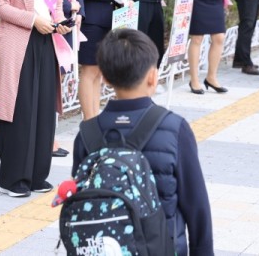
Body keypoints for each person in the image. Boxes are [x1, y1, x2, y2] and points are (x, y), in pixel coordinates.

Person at [71, 29, 214, 256]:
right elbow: (196, 207)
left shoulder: (86, 135)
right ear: (152, 76)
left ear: (105, 78)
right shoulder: (174, 129)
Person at [0, 0, 72, 197]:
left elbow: (57, 7)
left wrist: (62, 22)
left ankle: (37, 175)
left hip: (46, 43)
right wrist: (31, 19)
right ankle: (12, 179)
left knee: (42, 109)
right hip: (18, 43)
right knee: (20, 109)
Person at [39, 0, 81, 157]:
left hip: (63, 26)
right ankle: (46, 139)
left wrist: (77, 12)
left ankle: (51, 137)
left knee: (56, 85)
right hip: (43, 27)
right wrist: (66, 7)